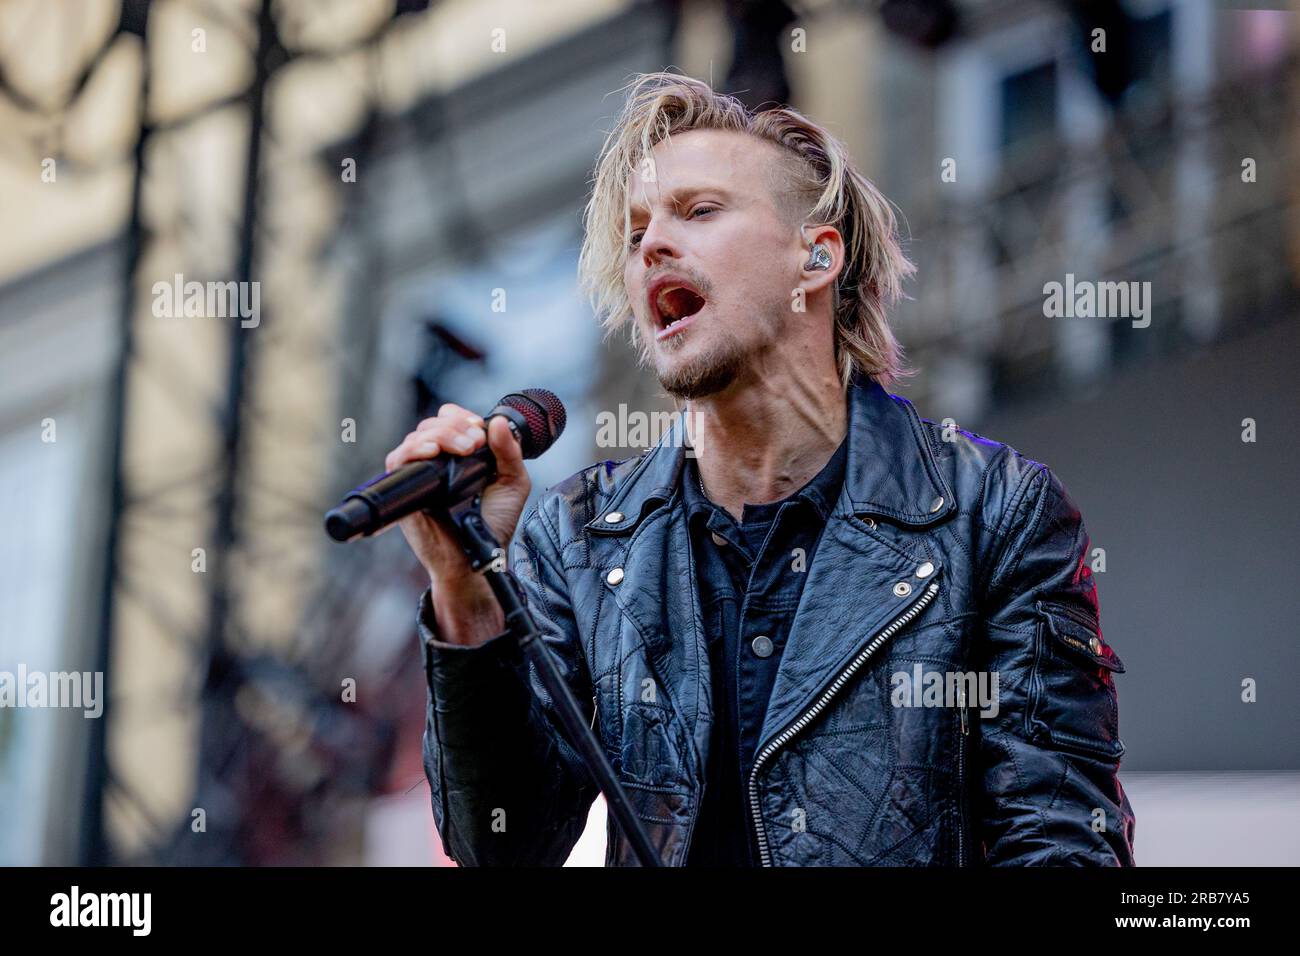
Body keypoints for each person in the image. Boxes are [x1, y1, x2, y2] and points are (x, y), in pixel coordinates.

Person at [387, 72, 1135, 866]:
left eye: (699, 211)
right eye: (637, 230)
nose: (651, 247)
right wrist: (465, 597)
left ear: (815, 258)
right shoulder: (579, 540)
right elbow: (502, 844)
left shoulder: (993, 514)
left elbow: (1062, 846)